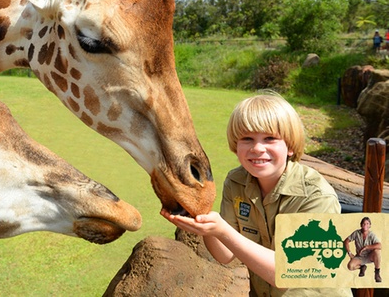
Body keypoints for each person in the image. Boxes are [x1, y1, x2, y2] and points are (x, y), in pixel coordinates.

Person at [161, 93, 352, 296]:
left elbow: (288, 272)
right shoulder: (236, 182)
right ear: (236, 145)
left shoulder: (316, 196)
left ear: (290, 146)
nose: (257, 148)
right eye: (247, 139)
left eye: (270, 139)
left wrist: (223, 230)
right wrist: (204, 224)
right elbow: (225, 255)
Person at [344, 216, 382, 283]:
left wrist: (367, 247)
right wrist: (349, 253)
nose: (365, 225)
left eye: (367, 223)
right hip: (360, 256)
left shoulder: (372, 235)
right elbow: (346, 241)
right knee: (350, 266)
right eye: (364, 223)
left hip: (370, 256)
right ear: (361, 225)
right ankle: (362, 267)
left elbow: (380, 245)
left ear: (370, 225)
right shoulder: (356, 233)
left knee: (377, 251)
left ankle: (377, 273)